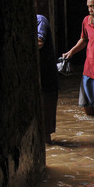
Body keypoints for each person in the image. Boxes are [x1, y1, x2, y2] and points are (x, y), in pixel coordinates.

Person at [37, 14, 59, 143]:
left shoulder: (40, 20)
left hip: (47, 79)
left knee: (45, 126)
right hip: (41, 79)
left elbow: (39, 42)